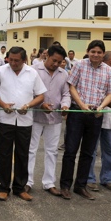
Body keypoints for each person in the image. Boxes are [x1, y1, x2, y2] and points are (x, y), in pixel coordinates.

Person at [59, 40, 111, 200]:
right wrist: (82, 105)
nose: (96, 55)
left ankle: (81, 185)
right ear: (88, 52)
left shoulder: (108, 70)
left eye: (99, 52)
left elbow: (110, 93)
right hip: (78, 112)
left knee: (88, 152)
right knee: (70, 151)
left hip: (96, 115)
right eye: (93, 51)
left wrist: (101, 107)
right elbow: (72, 87)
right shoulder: (79, 65)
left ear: (103, 54)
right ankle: (65, 186)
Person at [0, 47, 47, 201]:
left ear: (24, 60)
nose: (13, 63)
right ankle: (3, 188)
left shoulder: (32, 73)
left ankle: (20, 188)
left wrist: (28, 105)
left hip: (25, 121)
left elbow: (41, 95)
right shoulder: (1, 71)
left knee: (22, 155)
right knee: (4, 154)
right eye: (11, 59)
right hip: (5, 120)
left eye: (17, 60)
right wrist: (2, 104)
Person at [27, 45, 69, 197]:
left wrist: (65, 105)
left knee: (52, 151)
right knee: (31, 149)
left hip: (55, 117)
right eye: (54, 60)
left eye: (60, 62)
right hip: (36, 116)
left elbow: (66, 94)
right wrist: (40, 104)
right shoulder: (33, 70)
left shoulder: (63, 74)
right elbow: (28, 91)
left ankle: (49, 183)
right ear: (46, 56)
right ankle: (27, 181)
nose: (56, 64)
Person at [88, 52, 111, 193]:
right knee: (91, 150)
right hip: (95, 116)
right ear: (104, 61)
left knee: (109, 150)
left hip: (110, 119)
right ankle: (89, 178)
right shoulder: (96, 73)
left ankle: (107, 178)